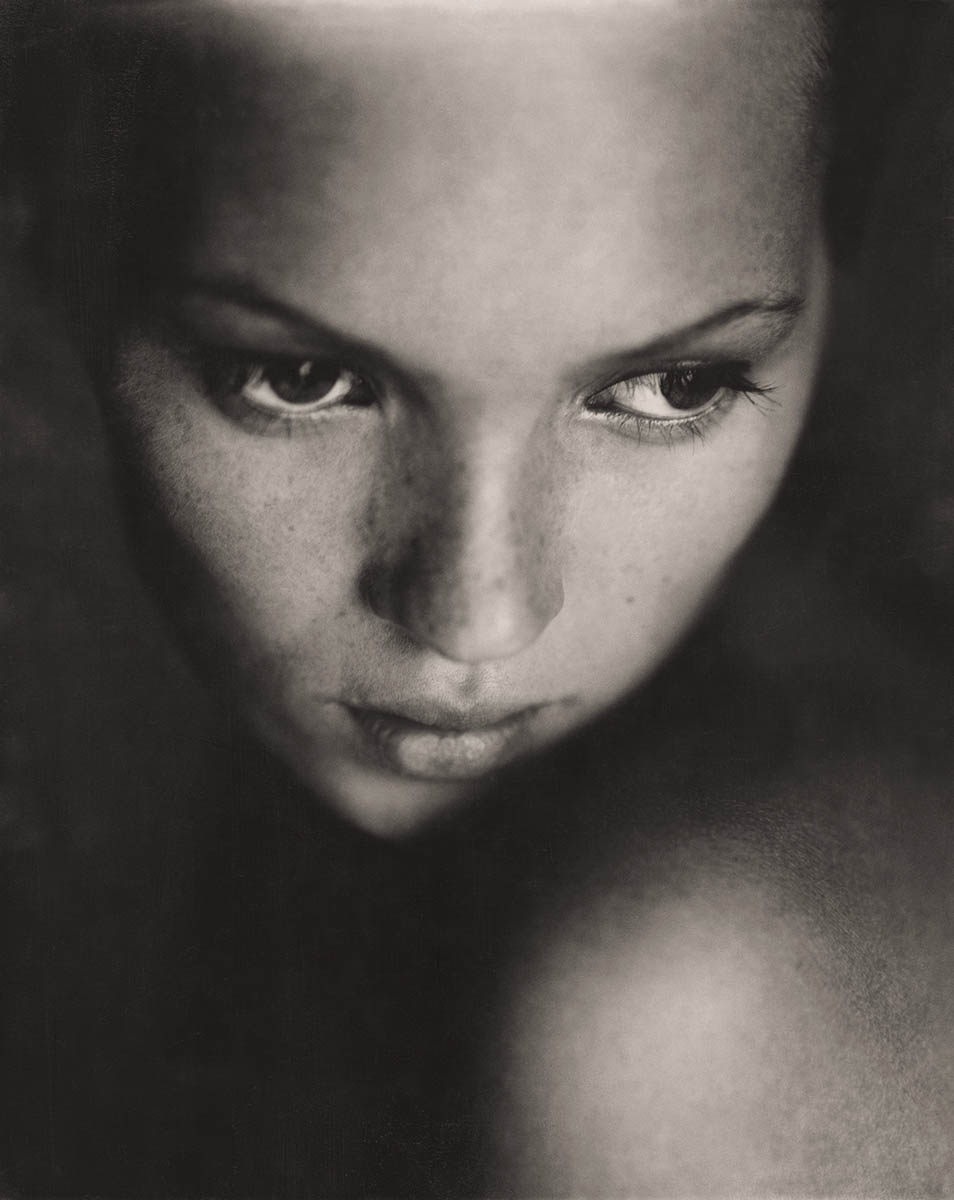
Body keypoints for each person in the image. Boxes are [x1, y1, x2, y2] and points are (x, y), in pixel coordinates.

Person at [1, 0, 952, 1194]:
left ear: (829, 259)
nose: (477, 617)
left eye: (674, 386)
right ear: (51, 239)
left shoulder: (710, 1001)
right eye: (303, 380)